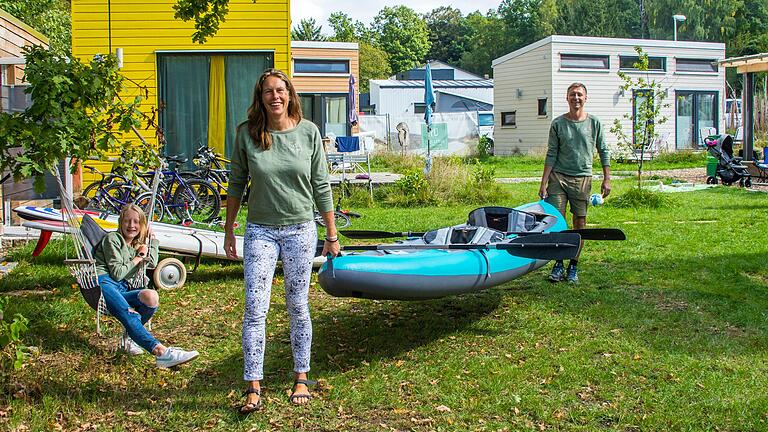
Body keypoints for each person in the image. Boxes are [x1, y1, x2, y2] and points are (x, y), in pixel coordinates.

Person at [224, 68, 340, 413]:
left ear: (290, 95)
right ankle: (253, 385)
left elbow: (321, 185)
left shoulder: (309, 133)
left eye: (280, 90)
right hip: (260, 230)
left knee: (297, 305)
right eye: (267, 92)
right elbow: (235, 184)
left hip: (301, 229)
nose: (275, 97)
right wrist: (230, 229)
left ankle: (301, 376)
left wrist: (331, 234)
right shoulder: (248, 134)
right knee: (255, 309)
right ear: (260, 99)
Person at [94, 204, 199, 367]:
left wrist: (153, 241)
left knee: (151, 297)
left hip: (122, 287)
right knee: (128, 313)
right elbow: (117, 273)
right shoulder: (113, 239)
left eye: (136, 222)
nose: (131, 226)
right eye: (127, 221)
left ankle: (130, 338)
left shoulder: (136, 244)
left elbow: (151, 263)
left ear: (142, 225)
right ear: (121, 222)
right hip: (104, 284)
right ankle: (161, 352)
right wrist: (139, 256)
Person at [538, 82, 611, 283]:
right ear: (567, 98)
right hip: (558, 178)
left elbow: (603, 150)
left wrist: (607, 178)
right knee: (557, 223)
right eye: (572, 95)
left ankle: (573, 266)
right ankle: (558, 264)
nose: (576, 98)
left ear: (585, 98)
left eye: (579, 95)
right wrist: (544, 182)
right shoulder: (558, 124)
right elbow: (551, 153)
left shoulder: (594, 123)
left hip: (582, 179)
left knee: (579, 224)